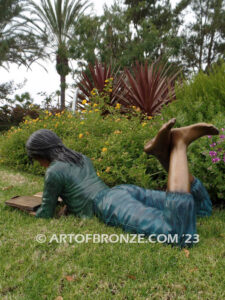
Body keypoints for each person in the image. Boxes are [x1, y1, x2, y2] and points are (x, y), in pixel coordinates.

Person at [26, 119, 219, 246]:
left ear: (41, 154)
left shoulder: (53, 171)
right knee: (201, 209)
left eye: (36, 159)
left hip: (108, 204)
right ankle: (162, 155)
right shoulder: (80, 158)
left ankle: (178, 144)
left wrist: (33, 213)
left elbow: (46, 211)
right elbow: (78, 189)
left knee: (178, 234)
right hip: (121, 191)